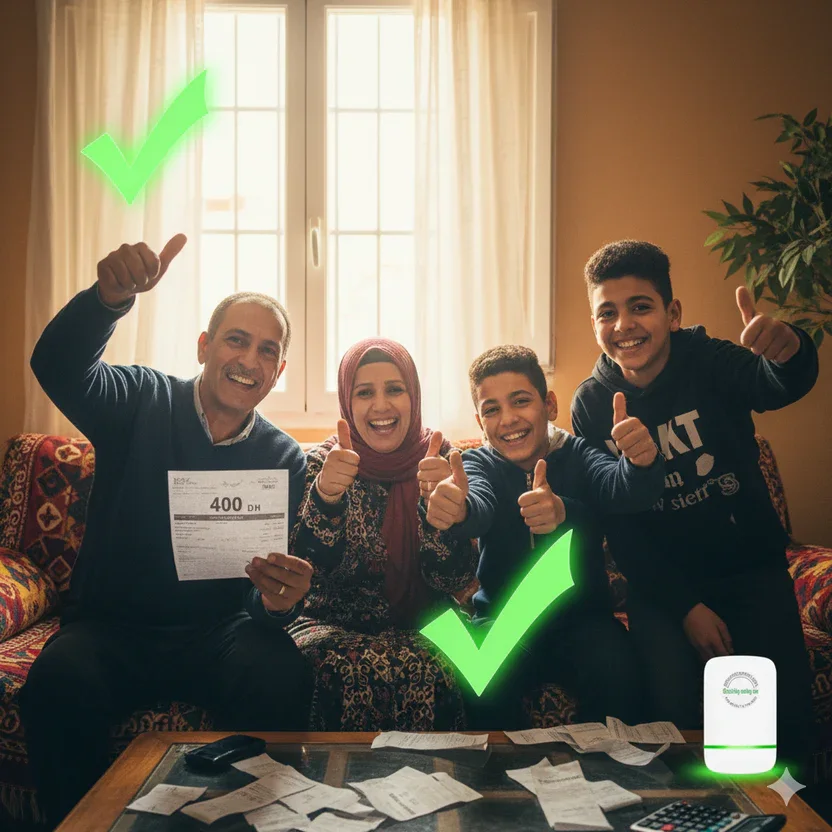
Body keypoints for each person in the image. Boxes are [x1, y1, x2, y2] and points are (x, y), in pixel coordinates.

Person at [19, 235, 315, 827]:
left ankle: (251, 821)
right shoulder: (140, 399)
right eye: (236, 340)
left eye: (267, 351)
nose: (249, 360)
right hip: (112, 629)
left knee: (282, 672)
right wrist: (107, 300)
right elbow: (56, 366)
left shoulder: (284, 457)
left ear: (278, 371)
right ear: (204, 345)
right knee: (56, 681)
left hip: (218, 632)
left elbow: (263, 592)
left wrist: (278, 602)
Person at [571, 239, 818, 775]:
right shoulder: (591, 404)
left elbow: (775, 384)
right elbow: (621, 529)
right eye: (607, 313)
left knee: (782, 733)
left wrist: (790, 350)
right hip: (663, 589)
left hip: (749, 573)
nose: (624, 325)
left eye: (641, 306)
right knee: (674, 728)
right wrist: (686, 607)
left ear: (673, 313)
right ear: (594, 324)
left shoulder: (709, 361)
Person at [427, 345, 665, 729]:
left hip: (584, 621)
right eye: (491, 409)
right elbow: (478, 504)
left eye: (521, 401)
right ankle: (507, 769)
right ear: (479, 421)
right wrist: (459, 509)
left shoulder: (579, 455)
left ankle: (603, 767)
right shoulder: (477, 463)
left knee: (620, 675)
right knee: (478, 682)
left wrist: (640, 462)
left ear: (549, 405)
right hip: (504, 620)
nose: (508, 419)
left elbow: (622, 488)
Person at [288, 338, 477, 730]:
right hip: (331, 623)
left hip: (432, 620)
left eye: (394, 389)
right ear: (346, 401)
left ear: (414, 395)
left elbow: (456, 579)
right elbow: (309, 574)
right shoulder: (323, 464)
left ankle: (442, 771)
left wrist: (441, 517)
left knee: (456, 659)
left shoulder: (440, 461)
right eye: (364, 393)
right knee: (338, 666)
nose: (381, 405)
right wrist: (327, 497)